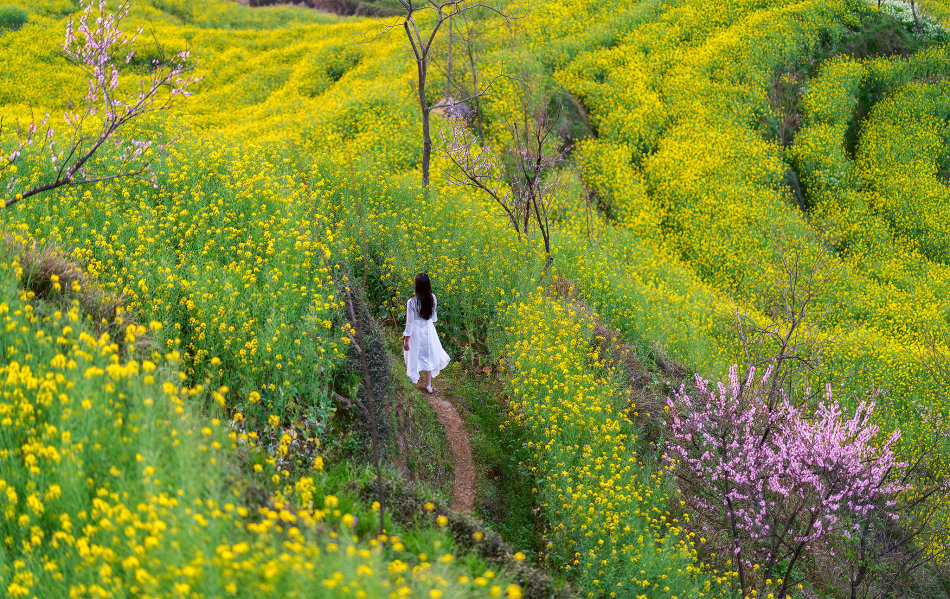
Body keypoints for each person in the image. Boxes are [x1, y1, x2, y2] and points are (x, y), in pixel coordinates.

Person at [403, 272, 450, 393]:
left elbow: (409, 323)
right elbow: (433, 318)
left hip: (415, 332)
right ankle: (429, 385)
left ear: (416, 285)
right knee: (427, 356)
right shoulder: (432, 298)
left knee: (414, 355)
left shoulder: (411, 302)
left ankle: (413, 380)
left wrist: (407, 340)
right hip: (429, 331)